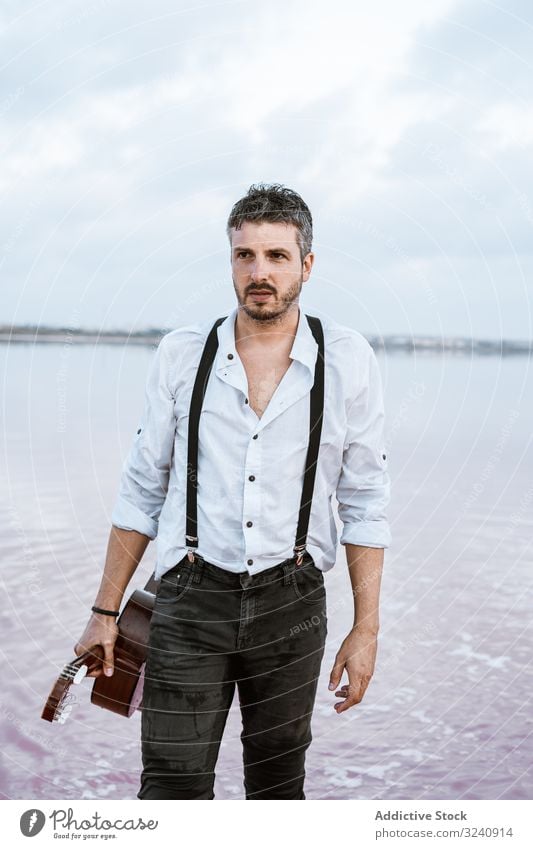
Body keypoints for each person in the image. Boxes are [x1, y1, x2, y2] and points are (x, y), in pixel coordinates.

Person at [74, 182, 391, 800]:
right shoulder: (181, 355)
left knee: (277, 790)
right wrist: (103, 613)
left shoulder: (349, 360)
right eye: (245, 255)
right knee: (170, 788)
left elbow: (366, 504)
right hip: (190, 599)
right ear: (231, 263)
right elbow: (141, 491)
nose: (259, 272)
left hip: (292, 602)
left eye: (276, 256)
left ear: (307, 265)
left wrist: (366, 629)